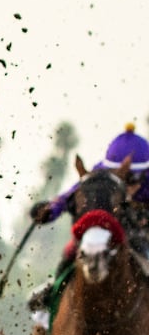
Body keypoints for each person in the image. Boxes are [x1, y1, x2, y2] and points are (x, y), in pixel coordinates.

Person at [26, 122, 149, 323]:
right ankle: (52, 294)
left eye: (132, 178)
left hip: (141, 232)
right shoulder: (99, 175)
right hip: (109, 229)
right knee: (71, 251)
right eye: (120, 176)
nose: (126, 184)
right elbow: (70, 196)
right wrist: (50, 210)